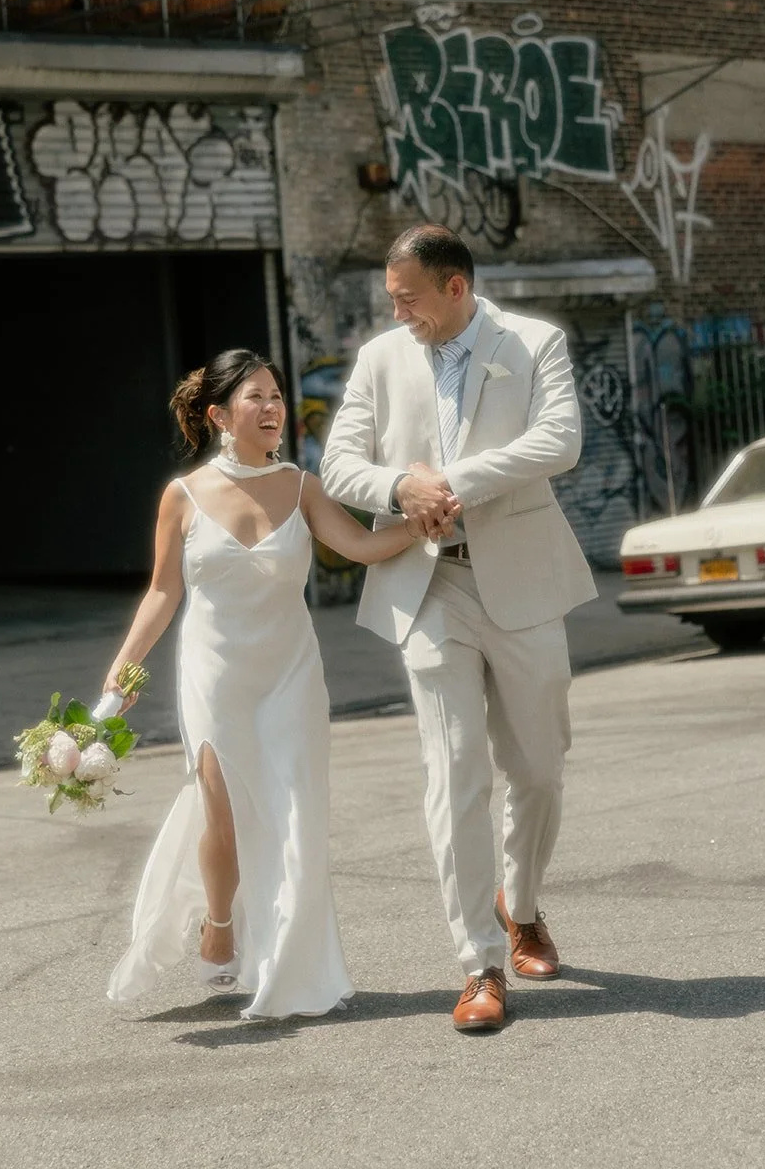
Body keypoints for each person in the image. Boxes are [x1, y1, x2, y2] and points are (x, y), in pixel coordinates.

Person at [320, 224, 596, 1034]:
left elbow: (559, 441)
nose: (396, 312)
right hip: (427, 584)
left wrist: (448, 484)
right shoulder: (380, 358)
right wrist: (399, 487)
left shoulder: (533, 342)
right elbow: (338, 464)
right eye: (389, 300)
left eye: (407, 298)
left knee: (538, 769)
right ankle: (478, 962)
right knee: (453, 771)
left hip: (523, 580)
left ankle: (523, 907)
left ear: (454, 286)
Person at [103, 347, 417, 1020]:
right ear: (220, 415)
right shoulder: (184, 496)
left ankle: (292, 967)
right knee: (222, 814)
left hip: (290, 674)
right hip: (214, 674)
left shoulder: (302, 487)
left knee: (296, 813)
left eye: (276, 395)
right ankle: (219, 920)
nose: (273, 407)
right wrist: (123, 669)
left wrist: (420, 524)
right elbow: (162, 591)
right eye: (257, 397)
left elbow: (360, 547)